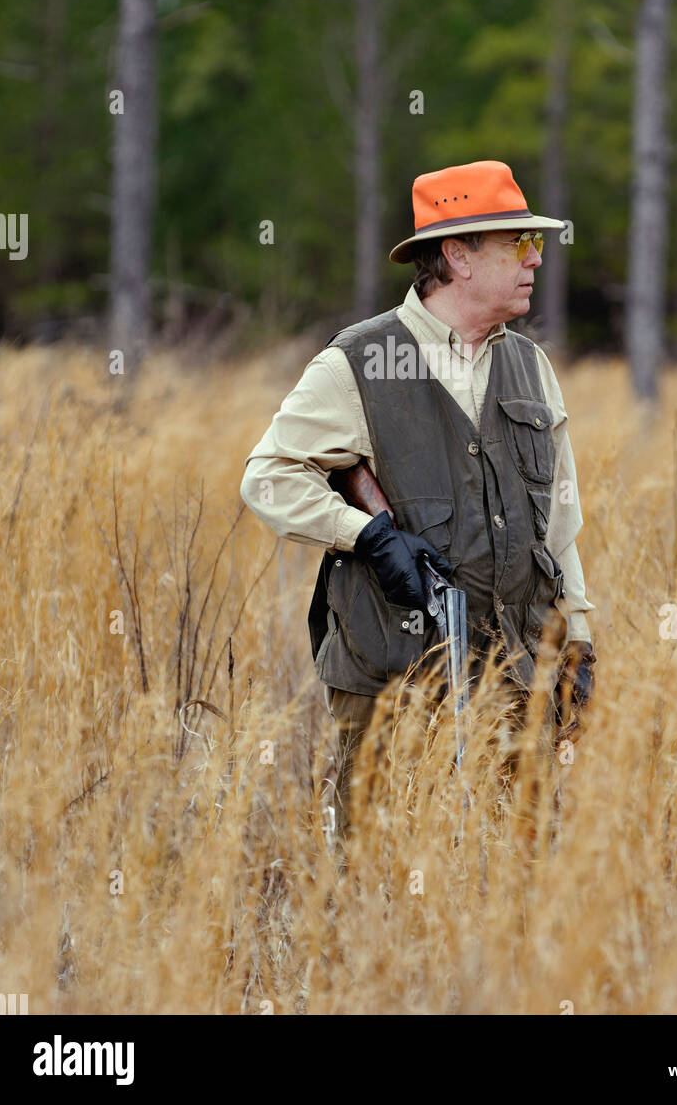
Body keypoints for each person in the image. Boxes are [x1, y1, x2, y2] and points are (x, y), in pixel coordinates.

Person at [240, 159, 596, 850]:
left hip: (515, 674)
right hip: (392, 685)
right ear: (458, 256)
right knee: (381, 883)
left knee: (519, 876)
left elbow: (559, 526)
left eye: (537, 244)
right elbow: (268, 477)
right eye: (518, 244)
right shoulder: (357, 363)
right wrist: (366, 535)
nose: (535, 260)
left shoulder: (530, 366)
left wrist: (576, 637)